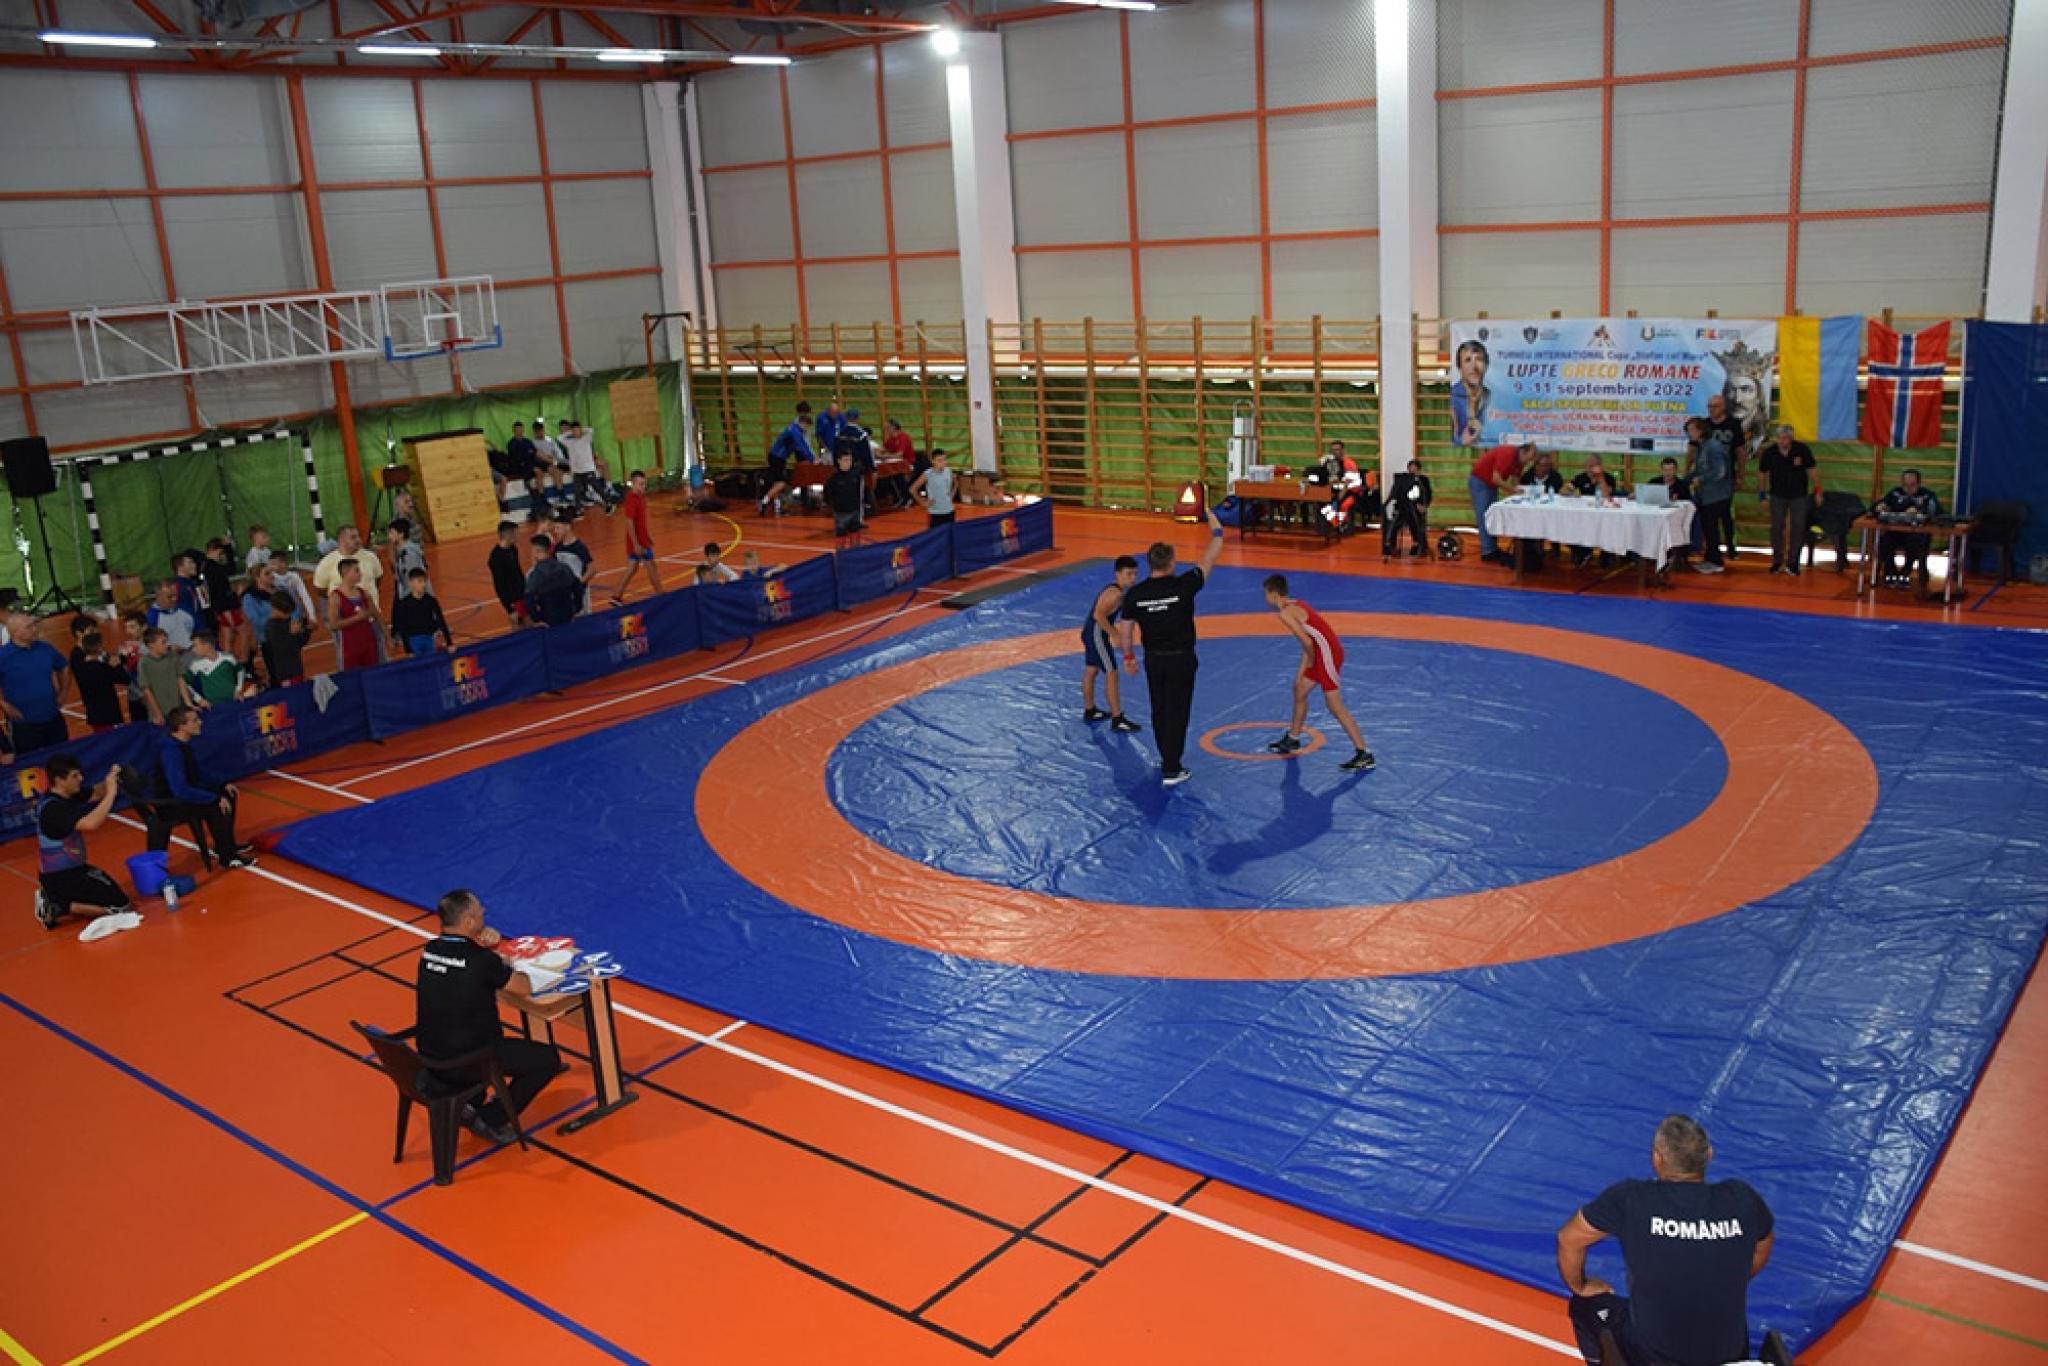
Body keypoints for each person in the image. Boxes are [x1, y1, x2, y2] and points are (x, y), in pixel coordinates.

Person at [1557, 1115, 1774, 1366]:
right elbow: (1763, 1247)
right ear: (1709, 1154)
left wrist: (1580, 1286)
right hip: (1730, 1354)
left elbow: (1568, 1239)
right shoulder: (1742, 1199)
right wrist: (1722, 1280)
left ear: (1657, 1158)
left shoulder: (1631, 1199)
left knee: (1584, 1306)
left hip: (1653, 1355)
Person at [415, 889, 566, 1145]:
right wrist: (498, 956)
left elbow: (462, 973)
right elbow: (522, 986)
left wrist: (485, 949)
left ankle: (471, 1103)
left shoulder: (429, 951)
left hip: (431, 1056)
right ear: (468, 922)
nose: (484, 911)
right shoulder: (481, 960)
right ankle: (490, 1118)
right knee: (548, 1059)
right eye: (479, 911)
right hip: (472, 1058)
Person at [1118, 505, 1226, 787]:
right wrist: (1216, 529)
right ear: (1171, 563)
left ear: (1151, 564)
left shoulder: (1135, 594)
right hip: (1181, 659)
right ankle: (1172, 766)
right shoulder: (1183, 586)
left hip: (1154, 659)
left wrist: (1128, 657)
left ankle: (1167, 755)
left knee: (1159, 708)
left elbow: (1126, 628)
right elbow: (1209, 558)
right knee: (1178, 710)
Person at [1258, 575, 1375, 770]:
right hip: (1323, 651)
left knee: (1334, 705)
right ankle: (1293, 739)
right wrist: (1302, 672)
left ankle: (1364, 753)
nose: (1265, 598)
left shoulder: (1285, 613)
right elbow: (1311, 641)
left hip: (1327, 654)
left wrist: (1310, 663)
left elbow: (1307, 642)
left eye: (1265, 594)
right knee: (1300, 690)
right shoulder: (1295, 603)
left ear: (1273, 594)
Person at [32, 754, 132, 931]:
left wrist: (112, 778)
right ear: (59, 780)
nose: (81, 778)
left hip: (75, 869)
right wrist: (112, 793)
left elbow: (96, 792)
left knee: (114, 896)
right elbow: (90, 824)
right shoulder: (53, 810)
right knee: (120, 908)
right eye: (75, 776)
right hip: (61, 876)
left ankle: (61, 900)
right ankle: (58, 905)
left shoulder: (65, 795)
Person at [150, 706, 256, 867]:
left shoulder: (182, 745)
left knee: (228, 793)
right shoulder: (171, 752)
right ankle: (228, 857)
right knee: (215, 805)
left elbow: (197, 773)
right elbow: (180, 789)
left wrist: (222, 784)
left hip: (183, 794)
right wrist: (213, 798)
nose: (200, 723)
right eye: (194, 721)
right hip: (171, 803)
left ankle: (225, 845)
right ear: (182, 726)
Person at [1080, 556, 1142, 732]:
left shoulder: (1116, 590)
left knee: (1092, 670)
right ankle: (1117, 718)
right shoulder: (1114, 594)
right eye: (1129, 574)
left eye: (1135, 574)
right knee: (1112, 673)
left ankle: (1090, 710)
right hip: (1097, 635)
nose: (1133, 578)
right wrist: (1114, 634)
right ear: (1117, 574)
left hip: (1092, 633)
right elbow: (1098, 615)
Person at [0, 612, 72, 753]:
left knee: (63, 756)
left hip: (53, 718)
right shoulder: (3, 656)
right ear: (15, 632)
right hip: (23, 725)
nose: (35, 629)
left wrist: (63, 693)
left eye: (34, 625)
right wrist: (3, 704)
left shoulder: (46, 648)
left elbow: (64, 667)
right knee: (29, 762)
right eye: (29, 627)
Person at [1758, 425, 1817, 576]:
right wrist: (1762, 495)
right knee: (1776, 527)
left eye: (1786, 438)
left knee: (1798, 528)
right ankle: (1777, 561)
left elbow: (1812, 470)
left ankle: (1793, 562)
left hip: (1799, 495)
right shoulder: (1770, 452)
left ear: (1791, 438)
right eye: (1780, 438)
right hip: (1777, 495)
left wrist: (1818, 491)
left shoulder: (1801, 449)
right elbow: (1762, 473)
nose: (1783, 441)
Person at [1469, 440, 1534, 564]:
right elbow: (1496, 478)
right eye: (1530, 458)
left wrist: (1519, 493)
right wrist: (1513, 490)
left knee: (1491, 515)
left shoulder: (1519, 460)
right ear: (1523, 451)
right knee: (1484, 515)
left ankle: (1492, 548)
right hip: (1481, 480)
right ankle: (1488, 551)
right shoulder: (1508, 454)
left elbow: (1515, 480)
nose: (1529, 462)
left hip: (1490, 484)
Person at [1685, 417, 1734, 575]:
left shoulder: (1713, 447)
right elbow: (1698, 469)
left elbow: (1720, 471)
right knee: (1707, 528)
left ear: (1701, 430)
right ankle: (1710, 558)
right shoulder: (1702, 447)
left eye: (1692, 430)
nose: (1689, 433)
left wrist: (1701, 479)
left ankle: (1716, 561)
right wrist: (1684, 481)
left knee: (1712, 529)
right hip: (1706, 496)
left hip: (1717, 495)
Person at [1876, 468, 1941, 586]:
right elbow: (1878, 506)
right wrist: (1880, 507)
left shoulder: (1927, 495)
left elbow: (1937, 512)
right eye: (1905, 485)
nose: (1908, 488)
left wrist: (1920, 511)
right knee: (1884, 541)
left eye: (1912, 485)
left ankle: (1905, 572)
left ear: (1919, 483)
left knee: (1916, 543)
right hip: (1895, 533)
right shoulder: (1895, 493)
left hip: (1916, 534)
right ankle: (1891, 572)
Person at [312, 527, 383, 625]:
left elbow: (378, 580)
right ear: (341, 540)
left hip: (371, 617)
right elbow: (321, 590)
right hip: (344, 623)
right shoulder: (326, 563)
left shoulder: (371, 557)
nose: (358, 540)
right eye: (353, 537)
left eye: (358, 536)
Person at [71, 629, 128, 733]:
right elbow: (125, 679)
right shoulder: (102, 668)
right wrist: (117, 665)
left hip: (94, 715)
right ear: (99, 647)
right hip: (110, 715)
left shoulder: (80, 668)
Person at [1701, 393, 1750, 513]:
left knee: (1724, 510)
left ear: (1723, 407)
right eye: (1709, 406)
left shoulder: (1733, 424)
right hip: (1706, 475)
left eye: (1715, 406)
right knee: (1706, 511)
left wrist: (1740, 475)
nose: (1711, 409)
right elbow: (1693, 449)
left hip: (1726, 475)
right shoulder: (1703, 425)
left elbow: (1740, 451)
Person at [329, 557, 380, 670]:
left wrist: (386, 636)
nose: (360, 573)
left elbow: (375, 613)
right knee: (352, 676)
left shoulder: (363, 592)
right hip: (350, 647)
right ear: (345, 573)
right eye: (356, 570)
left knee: (373, 673)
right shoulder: (335, 597)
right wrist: (357, 618)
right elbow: (333, 624)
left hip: (368, 643)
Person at [762, 401, 812, 515]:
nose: (806, 429)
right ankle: (764, 501)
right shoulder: (795, 431)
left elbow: (802, 446)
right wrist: (812, 459)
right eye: (806, 426)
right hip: (777, 458)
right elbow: (801, 446)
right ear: (802, 423)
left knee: (777, 483)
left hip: (777, 457)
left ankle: (776, 506)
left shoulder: (794, 429)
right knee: (783, 483)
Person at [559, 418, 616, 512]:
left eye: (577, 430)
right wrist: (570, 432)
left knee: (597, 487)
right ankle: (578, 510)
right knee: (577, 491)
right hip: (577, 471)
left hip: (588, 469)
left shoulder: (586, 438)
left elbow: (590, 430)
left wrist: (580, 430)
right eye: (574, 431)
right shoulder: (570, 442)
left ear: (580, 430)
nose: (576, 432)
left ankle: (608, 502)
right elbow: (560, 438)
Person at [391, 569, 452, 656]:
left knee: (431, 661)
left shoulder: (431, 600)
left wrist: (449, 643)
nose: (423, 585)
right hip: (413, 641)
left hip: (429, 639)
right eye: (419, 581)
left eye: (424, 581)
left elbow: (441, 620)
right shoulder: (404, 603)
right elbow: (403, 627)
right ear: (411, 583)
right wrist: (408, 650)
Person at [201, 539, 245, 660]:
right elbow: (218, 591)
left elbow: (230, 570)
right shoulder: (210, 568)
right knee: (235, 635)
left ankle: (228, 660)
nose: (220, 556)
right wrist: (225, 610)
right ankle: (231, 660)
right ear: (211, 550)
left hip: (224, 606)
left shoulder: (211, 566)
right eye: (219, 553)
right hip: (224, 606)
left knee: (229, 636)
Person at [525, 536, 582, 627]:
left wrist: (537, 618)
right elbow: (578, 588)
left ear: (536, 552)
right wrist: (577, 608)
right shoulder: (564, 568)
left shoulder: (535, 575)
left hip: (549, 620)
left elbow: (529, 599)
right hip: (568, 615)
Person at [183, 632, 250, 708]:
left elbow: (240, 670)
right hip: (214, 707)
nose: (193, 649)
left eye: (195, 645)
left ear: (207, 645)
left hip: (234, 702)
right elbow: (184, 683)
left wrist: (238, 689)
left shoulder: (228, 658)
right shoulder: (196, 664)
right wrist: (199, 699)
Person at [1383, 459, 1434, 558]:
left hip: (1417, 509)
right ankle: (1391, 546)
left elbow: (1428, 495)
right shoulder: (1403, 480)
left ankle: (1417, 544)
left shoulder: (1423, 480)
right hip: (1403, 508)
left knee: (1415, 523)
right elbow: (1397, 494)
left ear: (1419, 470)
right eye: (1410, 469)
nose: (1412, 471)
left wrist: (1423, 505)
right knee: (1394, 524)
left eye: (1415, 469)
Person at [136, 628, 184, 723]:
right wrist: (157, 714)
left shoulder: (173, 656)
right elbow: (146, 691)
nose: (167, 645)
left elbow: (181, 681)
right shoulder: (144, 663)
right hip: (160, 714)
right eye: (163, 642)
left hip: (179, 712)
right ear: (151, 645)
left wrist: (188, 703)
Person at [1451, 339, 1491, 447]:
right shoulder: (1451, 398)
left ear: (1486, 365)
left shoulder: (1491, 397)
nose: (1474, 367)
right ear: (1459, 368)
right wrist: (1461, 441)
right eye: (1468, 360)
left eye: (1479, 359)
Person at [487, 521, 528, 627]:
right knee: (519, 627)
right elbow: (499, 585)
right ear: (509, 534)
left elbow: (518, 571)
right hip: (513, 599)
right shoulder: (496, 558)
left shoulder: (513, 549)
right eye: (516, 533)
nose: (518, 536)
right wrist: (509, 609)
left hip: (522, 594)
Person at [266, 589, 308, 686]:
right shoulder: (272, 628)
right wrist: (292, 634)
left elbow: (300, 643)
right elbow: (282, 649)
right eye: (285, 612)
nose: (288, 615)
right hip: (286, 674)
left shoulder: (287, 622)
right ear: (275, 609)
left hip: (296, 670)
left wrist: (305, 630)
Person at [824, 449, 866, 545]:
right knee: (840, 541)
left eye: (850, 460)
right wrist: (835, 506)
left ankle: (855, 553)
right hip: (840, 514)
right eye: (845, 460)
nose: (848, 463)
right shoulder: (833, 479)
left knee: (856, 541)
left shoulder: (856, 476)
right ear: (839, 461)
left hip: (855, 512)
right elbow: (827, 495)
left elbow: (859, 492)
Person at [909, 447, 957, 528]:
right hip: (935, 513)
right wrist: (922, 502)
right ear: (933, 461)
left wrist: (952, 494)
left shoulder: (948, 471)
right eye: (939, 460)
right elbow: (912, 489)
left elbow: (956, 483)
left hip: (949, 511)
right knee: (935, 534)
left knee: (949, 534)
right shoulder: (927, 474)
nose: (943, 463)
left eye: (944, 460)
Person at [146, 579, 197, 655]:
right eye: (169, 597)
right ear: (159, 597)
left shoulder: (185, 610)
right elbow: (151, 644)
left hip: (194, 653)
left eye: (175, 595)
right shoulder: (152, 618)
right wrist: (170, 648)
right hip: (172, 658)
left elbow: (198, 631)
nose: (174, 599)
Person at [269, 550, 318, 628]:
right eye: (270, 564)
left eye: (273, 564)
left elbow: (305, 596)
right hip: (280, 616)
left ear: (283, 563)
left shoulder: (294, 577)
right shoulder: (270, 577)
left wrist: (312, 616)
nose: (270, 567)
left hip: (295, 614)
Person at [385, 520, 430, 595]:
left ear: (401, 534)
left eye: (391, 533)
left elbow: (414, 579)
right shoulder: (400, 551)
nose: (389, 536)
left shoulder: (409, 553)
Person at [879, 417, 915, 507]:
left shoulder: (903, 437)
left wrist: (884, 456)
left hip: (908, 463)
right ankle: (897, 497)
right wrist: (877, 452)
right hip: (896, 465)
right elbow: (882, 449)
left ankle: (907, 498)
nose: (886, 430)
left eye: (887, 428)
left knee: (899, 475)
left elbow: (899, 454)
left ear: (893, 427)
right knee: (886, 475)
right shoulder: (890, 439)